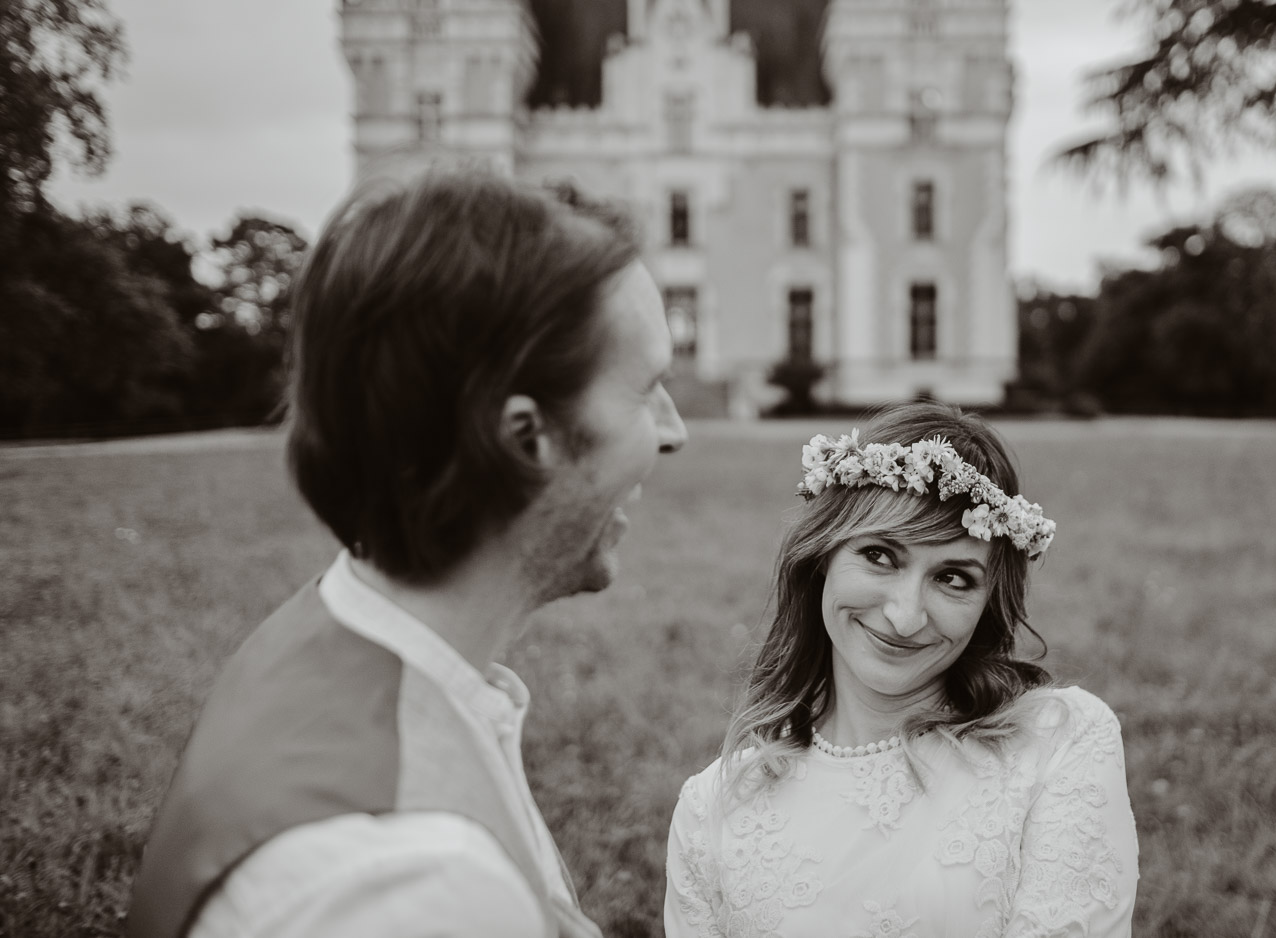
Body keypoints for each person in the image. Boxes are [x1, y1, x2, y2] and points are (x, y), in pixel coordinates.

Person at [127, 168, 687, 938]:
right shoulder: (408, 884)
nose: (673, 430)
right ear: (525, 438)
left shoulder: (341, 631)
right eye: (646, 388)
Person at [664, 402, 1137, 937]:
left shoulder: (1058, 744)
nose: (905, 616)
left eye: (953, 578)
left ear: (988, 602)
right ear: (822, 556)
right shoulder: (713, 811)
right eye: (881, 556)